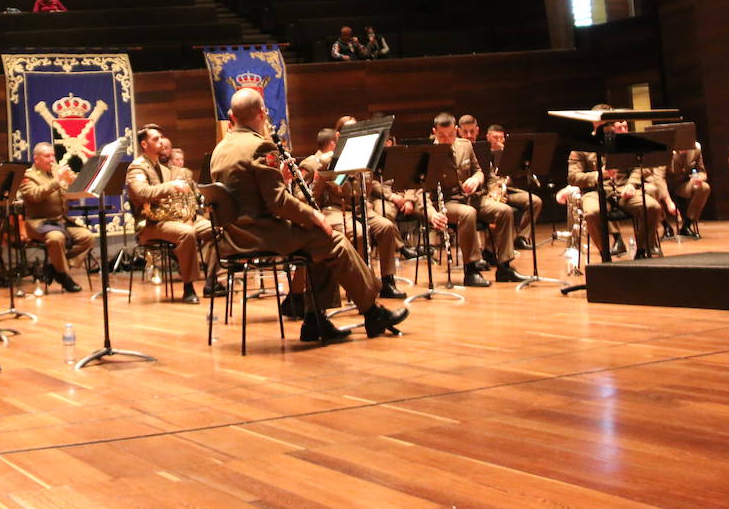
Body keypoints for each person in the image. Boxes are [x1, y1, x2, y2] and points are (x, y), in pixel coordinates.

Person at [209, 88, 408, 341]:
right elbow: (278, 202)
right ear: (261, 113)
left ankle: (316, 321)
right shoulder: (260, 145)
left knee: (319, 244)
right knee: (333, 240)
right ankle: (373, 312)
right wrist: (315, 216)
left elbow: (248, 193)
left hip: (235, 235)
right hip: (261, 235)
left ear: (233, 116)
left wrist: (280, 178)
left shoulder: (220, 148)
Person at [406, 113, 520, 286]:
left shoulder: (465, 145)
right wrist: (431, 215)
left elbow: (479, 171)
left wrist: (476, 179)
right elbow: (420, 192)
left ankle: (504, 267)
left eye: (451, 135)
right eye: (442, 136)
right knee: (468, 214)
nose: (447, 139)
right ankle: (471, 270)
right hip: (446, 202)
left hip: (472, 198)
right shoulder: (427, 155)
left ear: (456, 130)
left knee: (504, 211)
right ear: (434, 132)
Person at [300, 128, 408, 299]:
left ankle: (388, 281)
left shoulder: (362, 160)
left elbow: (366, 187)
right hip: (335, 209)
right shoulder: (318, 162)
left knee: (386, 227)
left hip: (359, 207)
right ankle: (362, 286)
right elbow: (308, 197)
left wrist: (366, 202)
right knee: (358, 232)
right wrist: (321, 175)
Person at [126, 125, 219, 305]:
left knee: (214, 229)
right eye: (155, 139)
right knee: (187, 233)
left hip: (172, 219)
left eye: (161, 137)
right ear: (144, 144)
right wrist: (171, 186)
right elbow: (142, 192)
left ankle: (211, 282)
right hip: (151, 224)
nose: (161, 141)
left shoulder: (161, 167)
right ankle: (189, 287)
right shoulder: (137, 168)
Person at [563, 105, 669, 258]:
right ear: (595, 122)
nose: (609, 124)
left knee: (652, 207)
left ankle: (641, 251)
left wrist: (631, 184)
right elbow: (573, 177)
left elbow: (637, 167)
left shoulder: (621, 143)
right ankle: (604, 254)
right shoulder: (581, 146)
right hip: (594, 191)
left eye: (610, 121)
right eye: (605, 121)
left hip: (621, 189)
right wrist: (598, 175)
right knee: (592, 213)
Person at [19, 142, 89, 293]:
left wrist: (73, 184)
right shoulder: (27, 176)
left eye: (53, 156)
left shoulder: (54, 173)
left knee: (87, 237)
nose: (52, 159)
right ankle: (64, 276)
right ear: (36, 159)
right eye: (47, 156)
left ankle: (55, 267)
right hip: (39, 223)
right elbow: (34, 196)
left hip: (60, 221)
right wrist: (57, 180)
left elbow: (71, 197)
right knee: (56, 238)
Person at [486, 124, 543, 250]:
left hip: (507, 190)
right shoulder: (482, 153)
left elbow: (517, 175)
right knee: (500, 208)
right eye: (495, 137)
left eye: (501, 138)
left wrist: (510, 176)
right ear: (488, 137)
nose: (499, 141)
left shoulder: (508, 154)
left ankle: (521, 237)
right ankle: (493, 249)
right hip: (490, 192)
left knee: (535, 202)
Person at [669, 142, 709, 238]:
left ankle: (687, 225)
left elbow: (702, 171)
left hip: (683, 184)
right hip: (666, 183)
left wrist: (699, 178)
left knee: (704, 188)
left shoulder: (696, 147)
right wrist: (677, 154)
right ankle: (666, 227)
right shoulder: (667, 148)